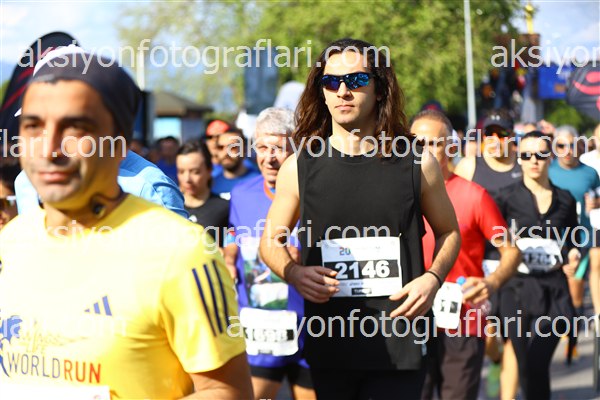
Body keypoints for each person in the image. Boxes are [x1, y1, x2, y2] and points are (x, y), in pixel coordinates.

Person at [0, 47, 253, 399]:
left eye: (75, 127)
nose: (49, 148)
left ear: (119, 142)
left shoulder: (182, 252)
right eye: (33, 126)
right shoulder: (13, 241)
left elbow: (227, 391)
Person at [259, 38, 461, 398]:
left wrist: (432, 279)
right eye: (330, 82)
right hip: (331, 347)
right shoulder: (299, 167)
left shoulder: (417, 162)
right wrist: (293, 273)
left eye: (355, 80)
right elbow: (270, 242)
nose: (342, 91)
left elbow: (449, 232)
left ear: (380, 88)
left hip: (401, 343)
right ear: (321, 92)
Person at [411, 110, 521, 400]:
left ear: (450, 148)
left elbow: (510, 250)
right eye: (416, 142)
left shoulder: (474, 196)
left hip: (462, 318)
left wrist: (491, 283)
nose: (423, 150)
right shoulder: (395, 196)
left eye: (433, 143)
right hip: (411, 317)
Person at [224, 107, 315, 400]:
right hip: (261, 329)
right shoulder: (241, 193)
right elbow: (234, 232)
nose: (269, 157)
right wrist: (229, 255)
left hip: (310, 327)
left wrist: (304, 257)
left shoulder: (315, 193)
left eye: (278, 148)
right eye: (262, 148)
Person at [497, 131, 578, 400]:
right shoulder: (505, 198)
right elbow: (491, 242)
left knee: (537, 362)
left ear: (550, 157)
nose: (534, 160)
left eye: (541, 154)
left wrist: (573, 256)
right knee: (525, 365)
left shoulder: (566, 199)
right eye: (527, 155)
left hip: (554, 292)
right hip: (516, 290)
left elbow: (573, 239)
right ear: (519, 158)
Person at [455, 109, 522, 397]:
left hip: (514, 262)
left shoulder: (524, 165)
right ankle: (495, 360)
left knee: (513, 336)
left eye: (502, 134)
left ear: (512, 137)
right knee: (488, 334)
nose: (495, 140)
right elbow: (451, 203)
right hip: (477, 262)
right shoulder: (470, 166)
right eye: (489, 134)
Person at [548, 125, 599, 360]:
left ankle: (572, 340)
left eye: (571, 145)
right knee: (554, 293)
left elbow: (598, 196)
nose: (567, 150)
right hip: (551, 242)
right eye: (561, 145)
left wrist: (596, 203)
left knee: (575, 290)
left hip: (580, 241)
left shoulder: (590, 173)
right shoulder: (547, 171)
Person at [177, 140, 229, 246]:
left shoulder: (224, 208)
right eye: (181, 172)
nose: (187, 179)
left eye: (195, 172)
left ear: (209, 170)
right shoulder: (169, 207)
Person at [212, 127, 260, 199]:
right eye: (220, 147)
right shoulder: (211, 185)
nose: (226, 152)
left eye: (233, 147)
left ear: (244, 150)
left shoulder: (259, 183)